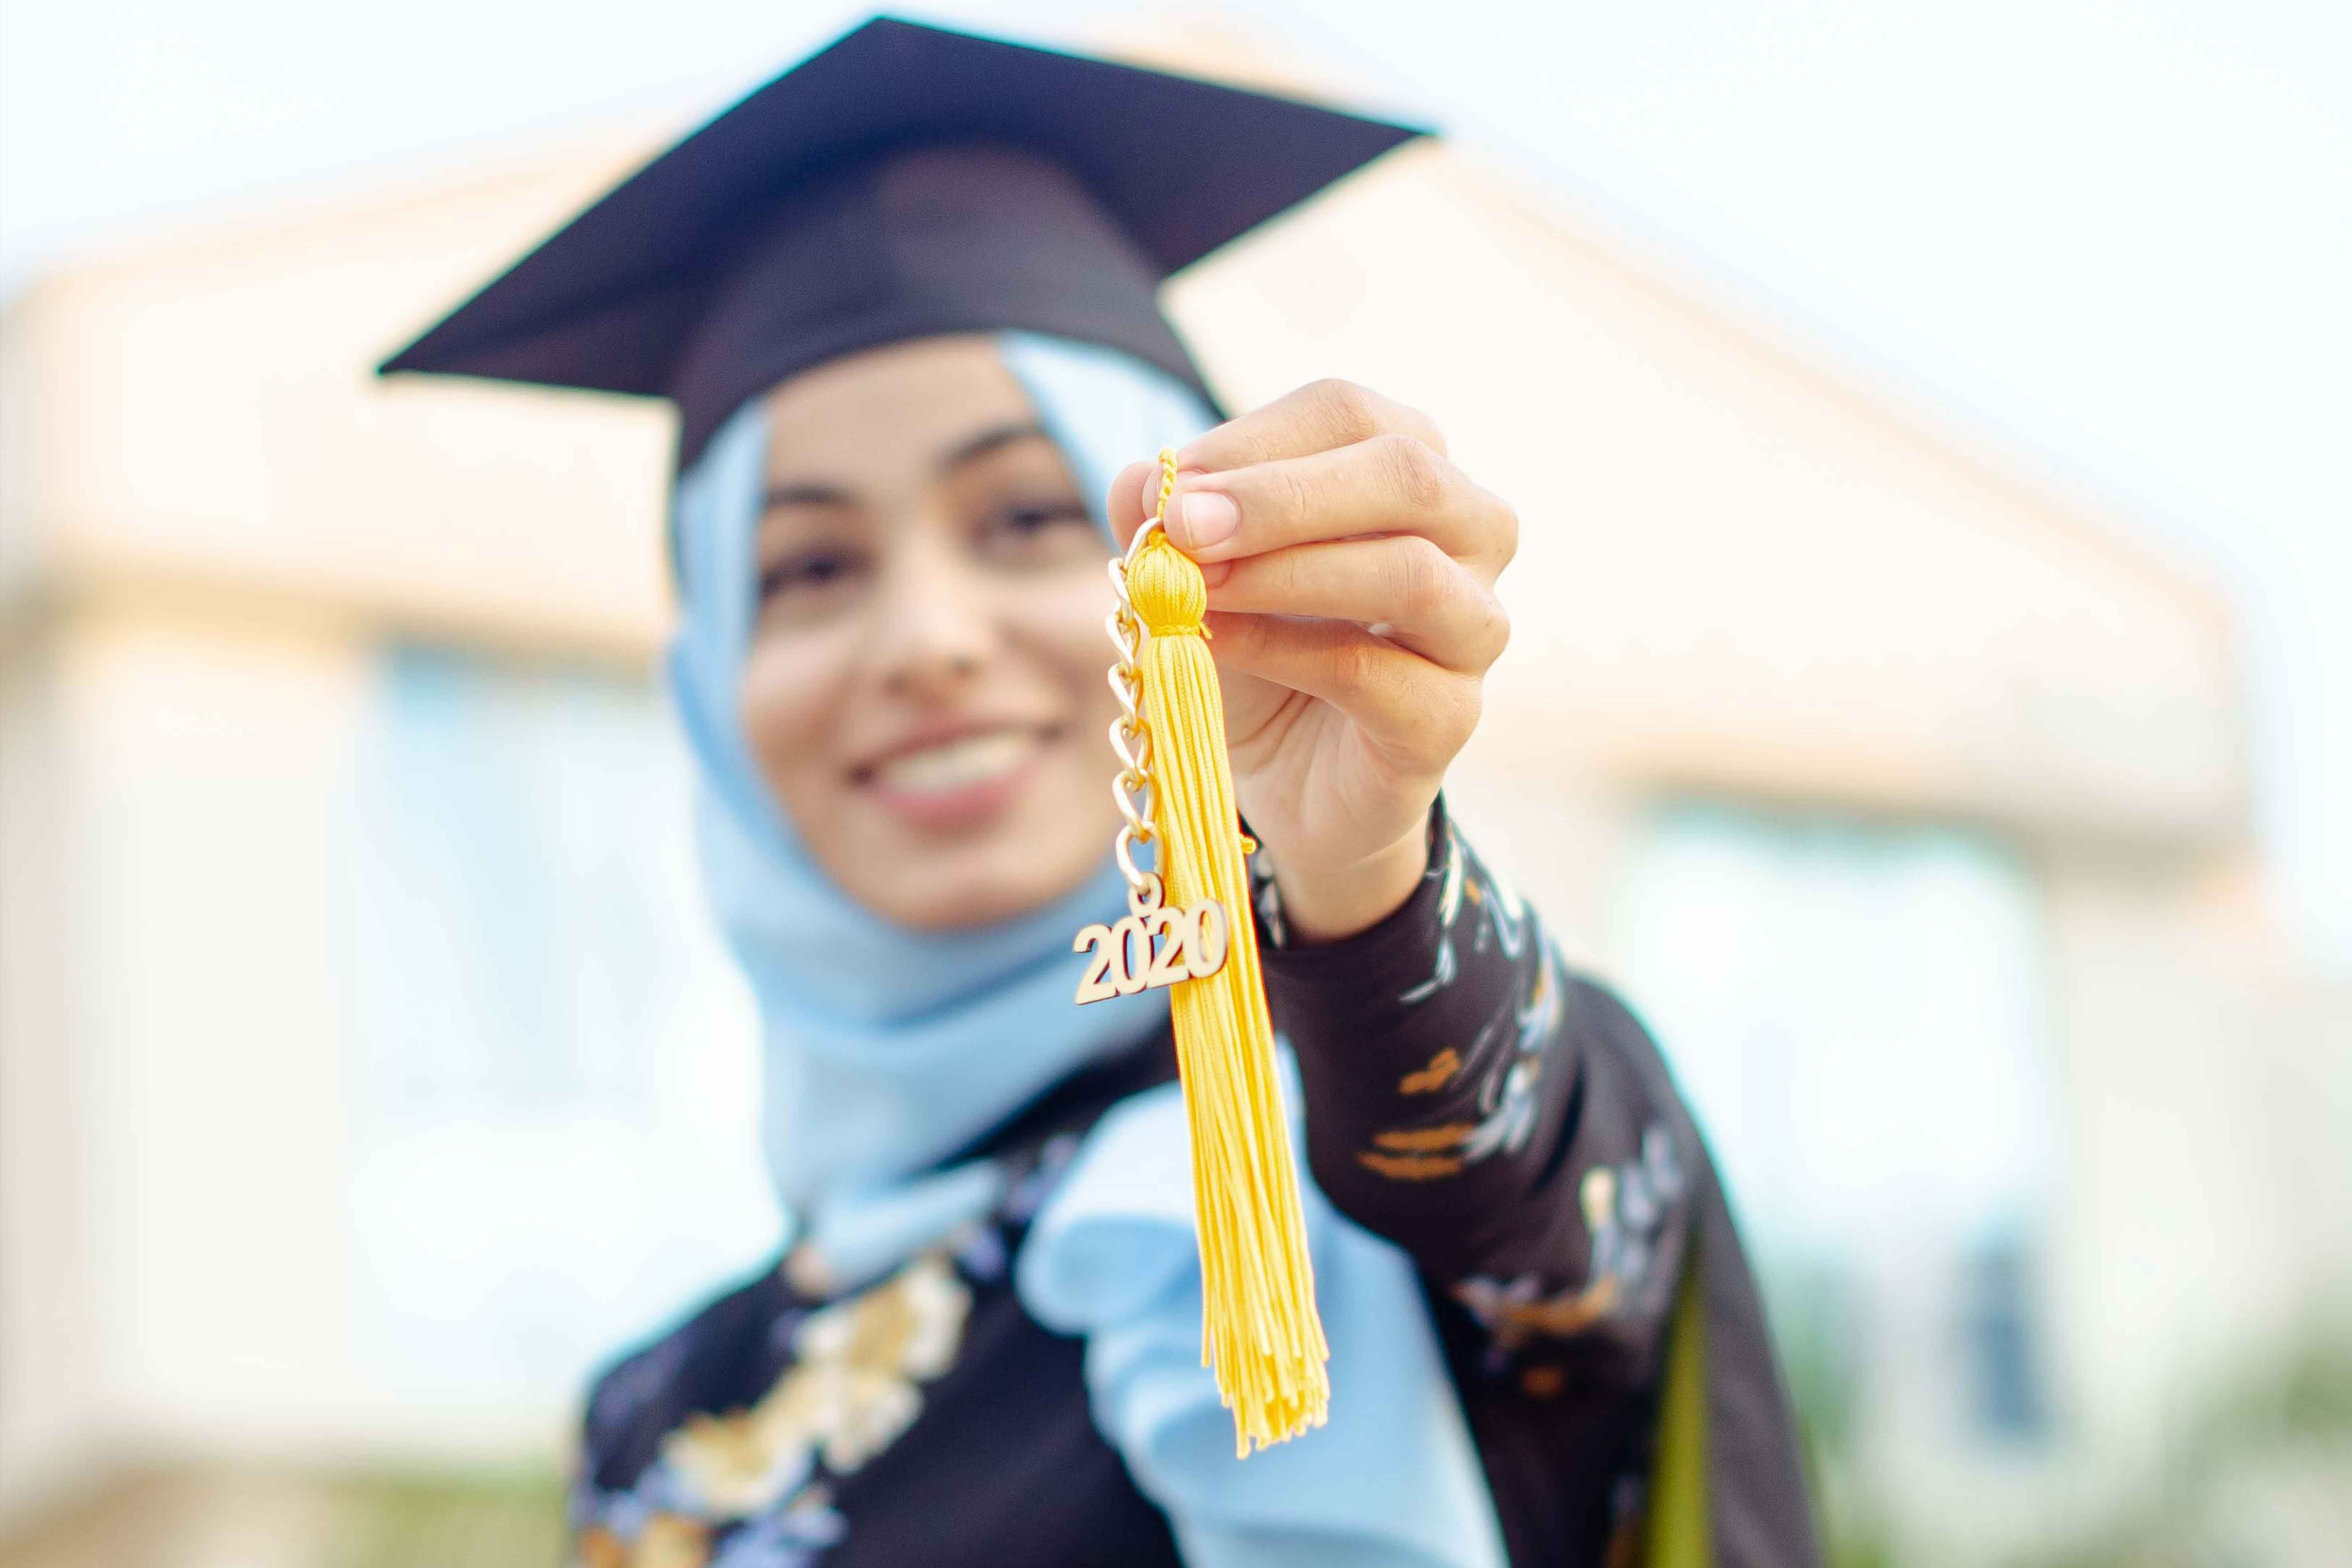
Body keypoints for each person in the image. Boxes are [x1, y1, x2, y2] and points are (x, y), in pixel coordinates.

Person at [381, 17, 1821, 1568]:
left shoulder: (1387, 1153)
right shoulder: (664, 1424)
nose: (927, 638)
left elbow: (1527, 1181)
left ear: (1181, 579)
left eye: (1024, 515)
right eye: (806, 566)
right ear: (712, 684)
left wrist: (1357, 875)